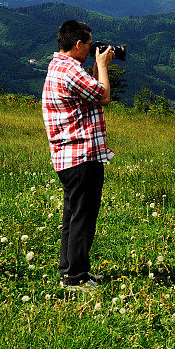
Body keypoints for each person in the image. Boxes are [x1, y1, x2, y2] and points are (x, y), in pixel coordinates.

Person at [41, 20, 114, 287]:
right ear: (78, 43)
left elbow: (90, 92)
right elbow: (103, 96)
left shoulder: (58, 66)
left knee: (72, 217)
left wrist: (96, 67)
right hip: (82, 156)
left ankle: (68, 270)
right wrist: (104, 67)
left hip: (66, 157)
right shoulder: (71, 71)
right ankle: (77, 278)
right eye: (89, 43)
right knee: (83, 218)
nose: (91, 48)